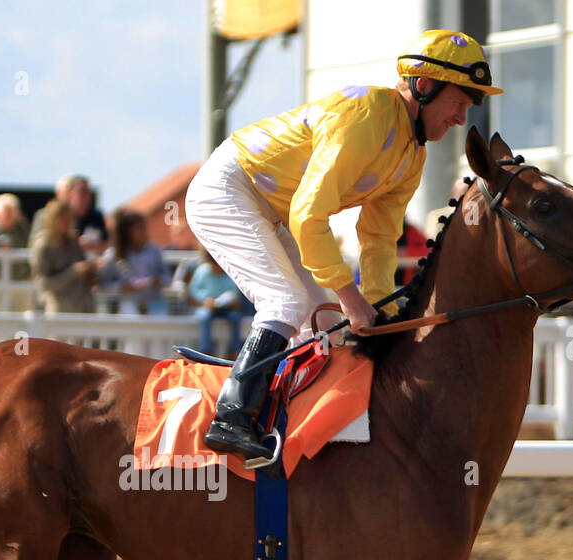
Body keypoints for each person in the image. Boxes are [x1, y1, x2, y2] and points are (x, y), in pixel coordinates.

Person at [185, 29, 501, 461]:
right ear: (424, 86)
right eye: (459, 102)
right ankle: (231, 416)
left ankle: (289, 431)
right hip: (228, 189)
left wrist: (378, 309)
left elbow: (378, 238)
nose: (462, 118)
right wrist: (353, 299)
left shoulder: (413, 154)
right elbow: (309, 216)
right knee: (288, 302)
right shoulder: (366, 115)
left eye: (469, 107)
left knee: (322, 323)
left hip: (270, 207)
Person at [30, 199, 97, 314]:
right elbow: (44, 283)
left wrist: (91, 269)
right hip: (59, 309)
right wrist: (73, 271)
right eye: (63, 218)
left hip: (83, 306)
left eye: (69, 218)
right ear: (53, 219)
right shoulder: (43, 245)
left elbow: (84, 270)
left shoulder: (73, 241)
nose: (67, 222)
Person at [100, 211, 169, 315]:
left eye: (144, 227)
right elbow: (103, 283)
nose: (144, 232)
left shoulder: (154, 250)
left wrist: (158, 280)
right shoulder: (113, 255)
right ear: (127, 231)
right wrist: (121, 287)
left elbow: (168, 278)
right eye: (139, 228)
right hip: (126, 305)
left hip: (154, 303)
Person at [189, 252, 251, 358]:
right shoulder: (202, 271)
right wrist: (205, 300)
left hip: (225, 308)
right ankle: (206, 348)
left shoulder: (228, 271)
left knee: (235, 317)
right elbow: (194, 290)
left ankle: (234, 349)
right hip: (207, 306)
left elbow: (233, 292)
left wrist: (223, 301)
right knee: (204, 316)